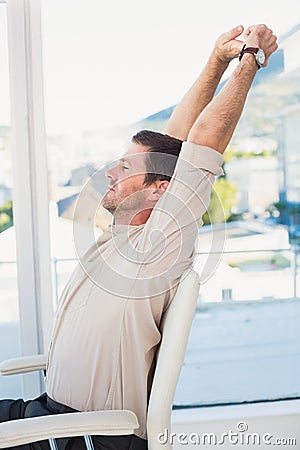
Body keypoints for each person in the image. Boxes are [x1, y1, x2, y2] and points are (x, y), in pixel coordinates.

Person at [0, 24, 277, 450]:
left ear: (159, 189)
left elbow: (204, 141)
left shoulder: (160, 244)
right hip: (47, 416)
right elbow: (173, 141)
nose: (111, 172)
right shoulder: (124, 237)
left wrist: (251, 61)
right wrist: (215, 62)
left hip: (84, 436)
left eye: (125, 168)